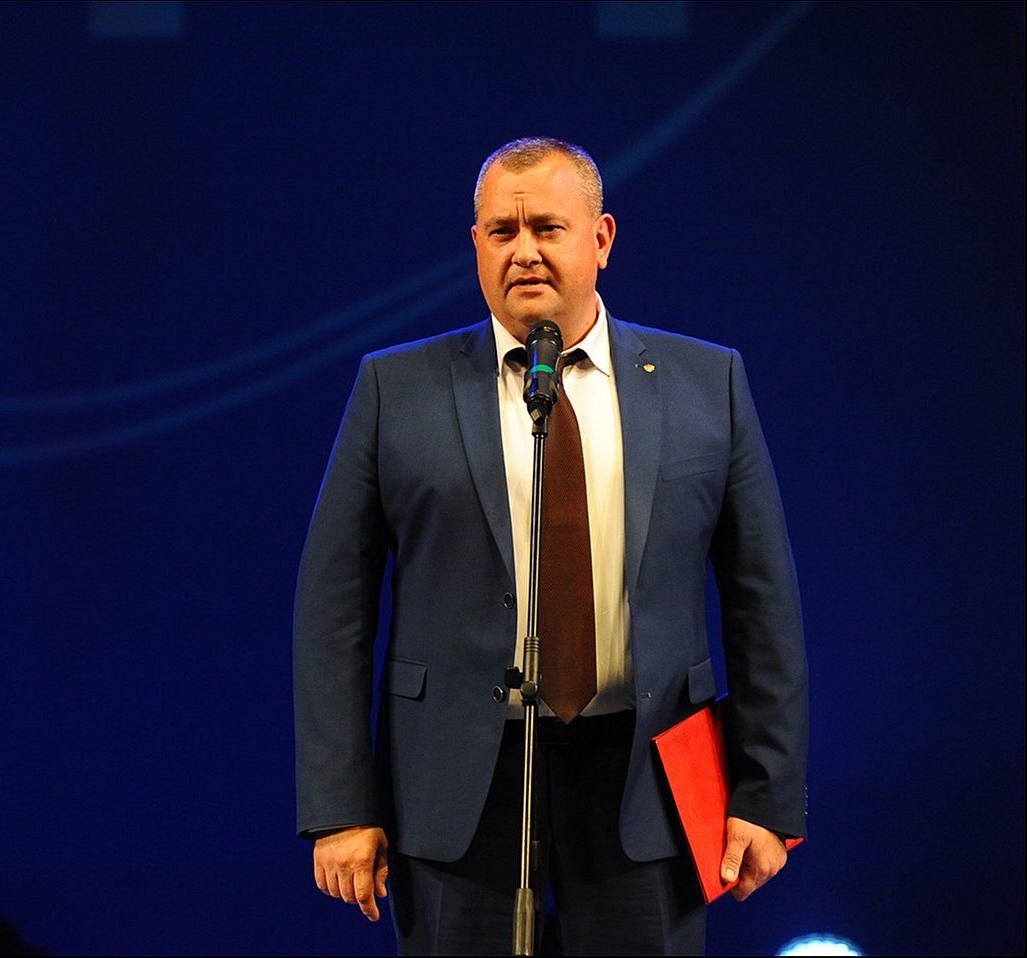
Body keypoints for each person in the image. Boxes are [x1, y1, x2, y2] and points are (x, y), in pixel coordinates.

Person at [292, 137, 807, 956]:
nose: (524, 251)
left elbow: (762, 603)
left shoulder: (707, 383)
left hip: (645, 781)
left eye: (547, 229)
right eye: (502, 232)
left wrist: (765, 795)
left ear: (601, 239)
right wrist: (341, 807)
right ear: (476, 246)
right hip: (457, 785)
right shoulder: (396, 387)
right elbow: (334, 609)